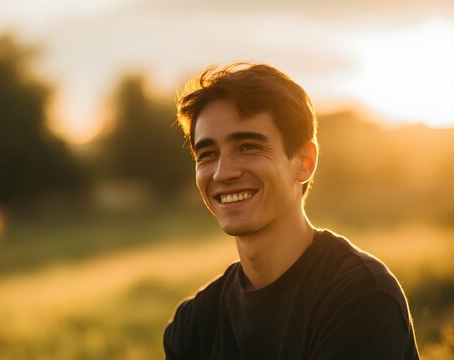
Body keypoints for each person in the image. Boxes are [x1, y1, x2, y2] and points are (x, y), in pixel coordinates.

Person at [163, 63, 419, 359]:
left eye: (248, 147)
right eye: (207, 154)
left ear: (304, 162)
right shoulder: (192, 324)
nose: (222, 173)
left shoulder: (361, 297)